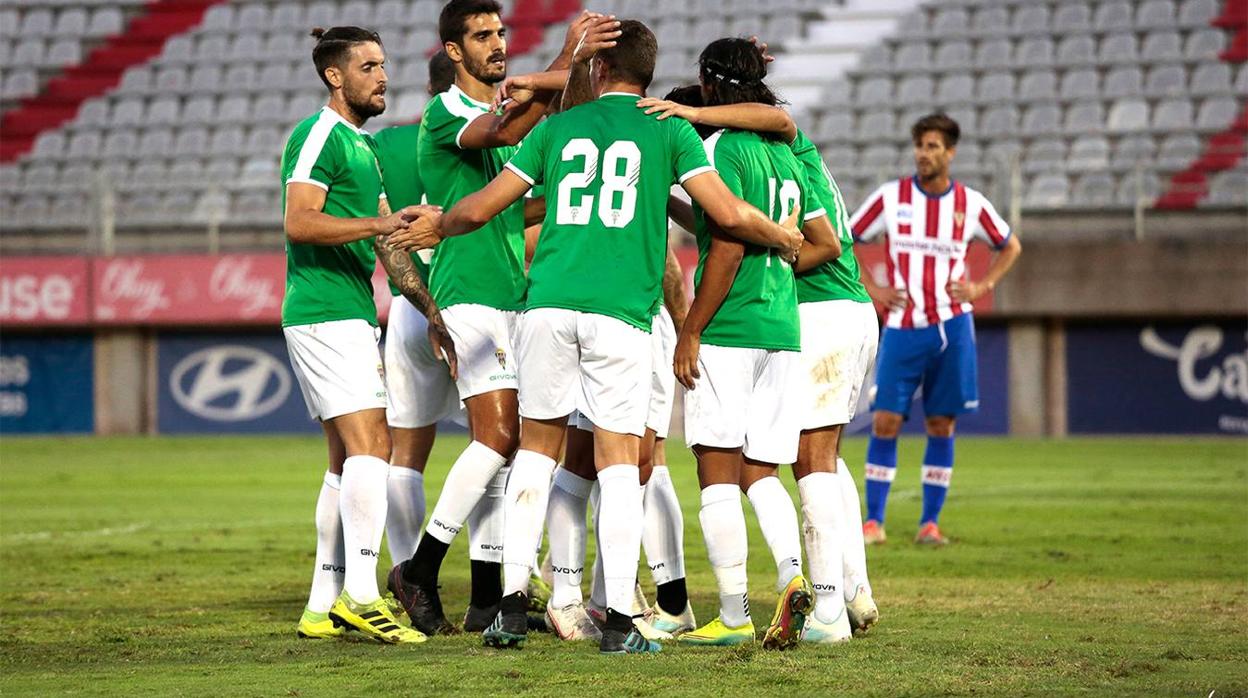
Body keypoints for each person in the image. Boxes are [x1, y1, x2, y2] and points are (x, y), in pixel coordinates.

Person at [392, 19, 803, 654]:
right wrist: (779, 235)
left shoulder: (554, 128)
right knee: (619, 463)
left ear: (599, 70)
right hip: (621, 316)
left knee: (536, 453)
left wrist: (437, 225)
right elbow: (722, 215)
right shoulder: (668, 128)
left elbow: (483, 206)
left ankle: (506, 608)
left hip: (548, 307)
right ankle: (618, 621)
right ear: (647, 71)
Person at [386, 2, 613, 636]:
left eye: (500, 31)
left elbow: (524, 170)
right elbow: (508, 132)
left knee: (509, 453)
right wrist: (566, 56)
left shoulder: (504, 106)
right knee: (498, 436)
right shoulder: (445, 113)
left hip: (516, 292)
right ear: (453, 51)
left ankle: (488, 596)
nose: (497, 43)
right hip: (468, 290)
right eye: (482, 36)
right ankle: (420, 568)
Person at [641, 76, 881, 641]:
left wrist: (708, 312)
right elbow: (721, 214)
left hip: (797, 312)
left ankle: (805, 612)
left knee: (749, 467)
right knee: (781, 465)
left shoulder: (741, 147)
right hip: (808, 318)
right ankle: (841, 589)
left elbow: (770, 237)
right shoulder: (792, 158)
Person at [282, 26, 445, 645]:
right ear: (335, 76)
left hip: (349, 309)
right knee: (375, 446)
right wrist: (380, 219)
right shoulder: (317, 134)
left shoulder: (363, 145)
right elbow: (300, 222)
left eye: (384, 65)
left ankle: (323, 604)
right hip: (323, 311)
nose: (383, 76)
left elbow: (386, 242)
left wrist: (428, 305)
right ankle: (363, 594)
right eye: (369, 66)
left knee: (346, 460)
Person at [850, 113, 1022, 546]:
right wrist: (873, 288)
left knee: (942, 424)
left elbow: (1010, 244)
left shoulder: (971, 203)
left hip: (952, 327)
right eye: (919, 146)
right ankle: (874, 522)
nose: (923, 154)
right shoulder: (891, 198)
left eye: (932, 147)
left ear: (950, 152)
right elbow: (844, 236)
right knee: (886, 420)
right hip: (904, 327)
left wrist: (982, 286)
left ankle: (929, 523)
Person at [372, 49, 457, 575]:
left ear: (429, 89)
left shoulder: (384, 145)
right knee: (501, 448)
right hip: (481, 303)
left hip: (410, 309)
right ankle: (502, 585)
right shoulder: (494, 138)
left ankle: (408, 573)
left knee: (406, 451)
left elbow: (384, 234)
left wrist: (424, 305)